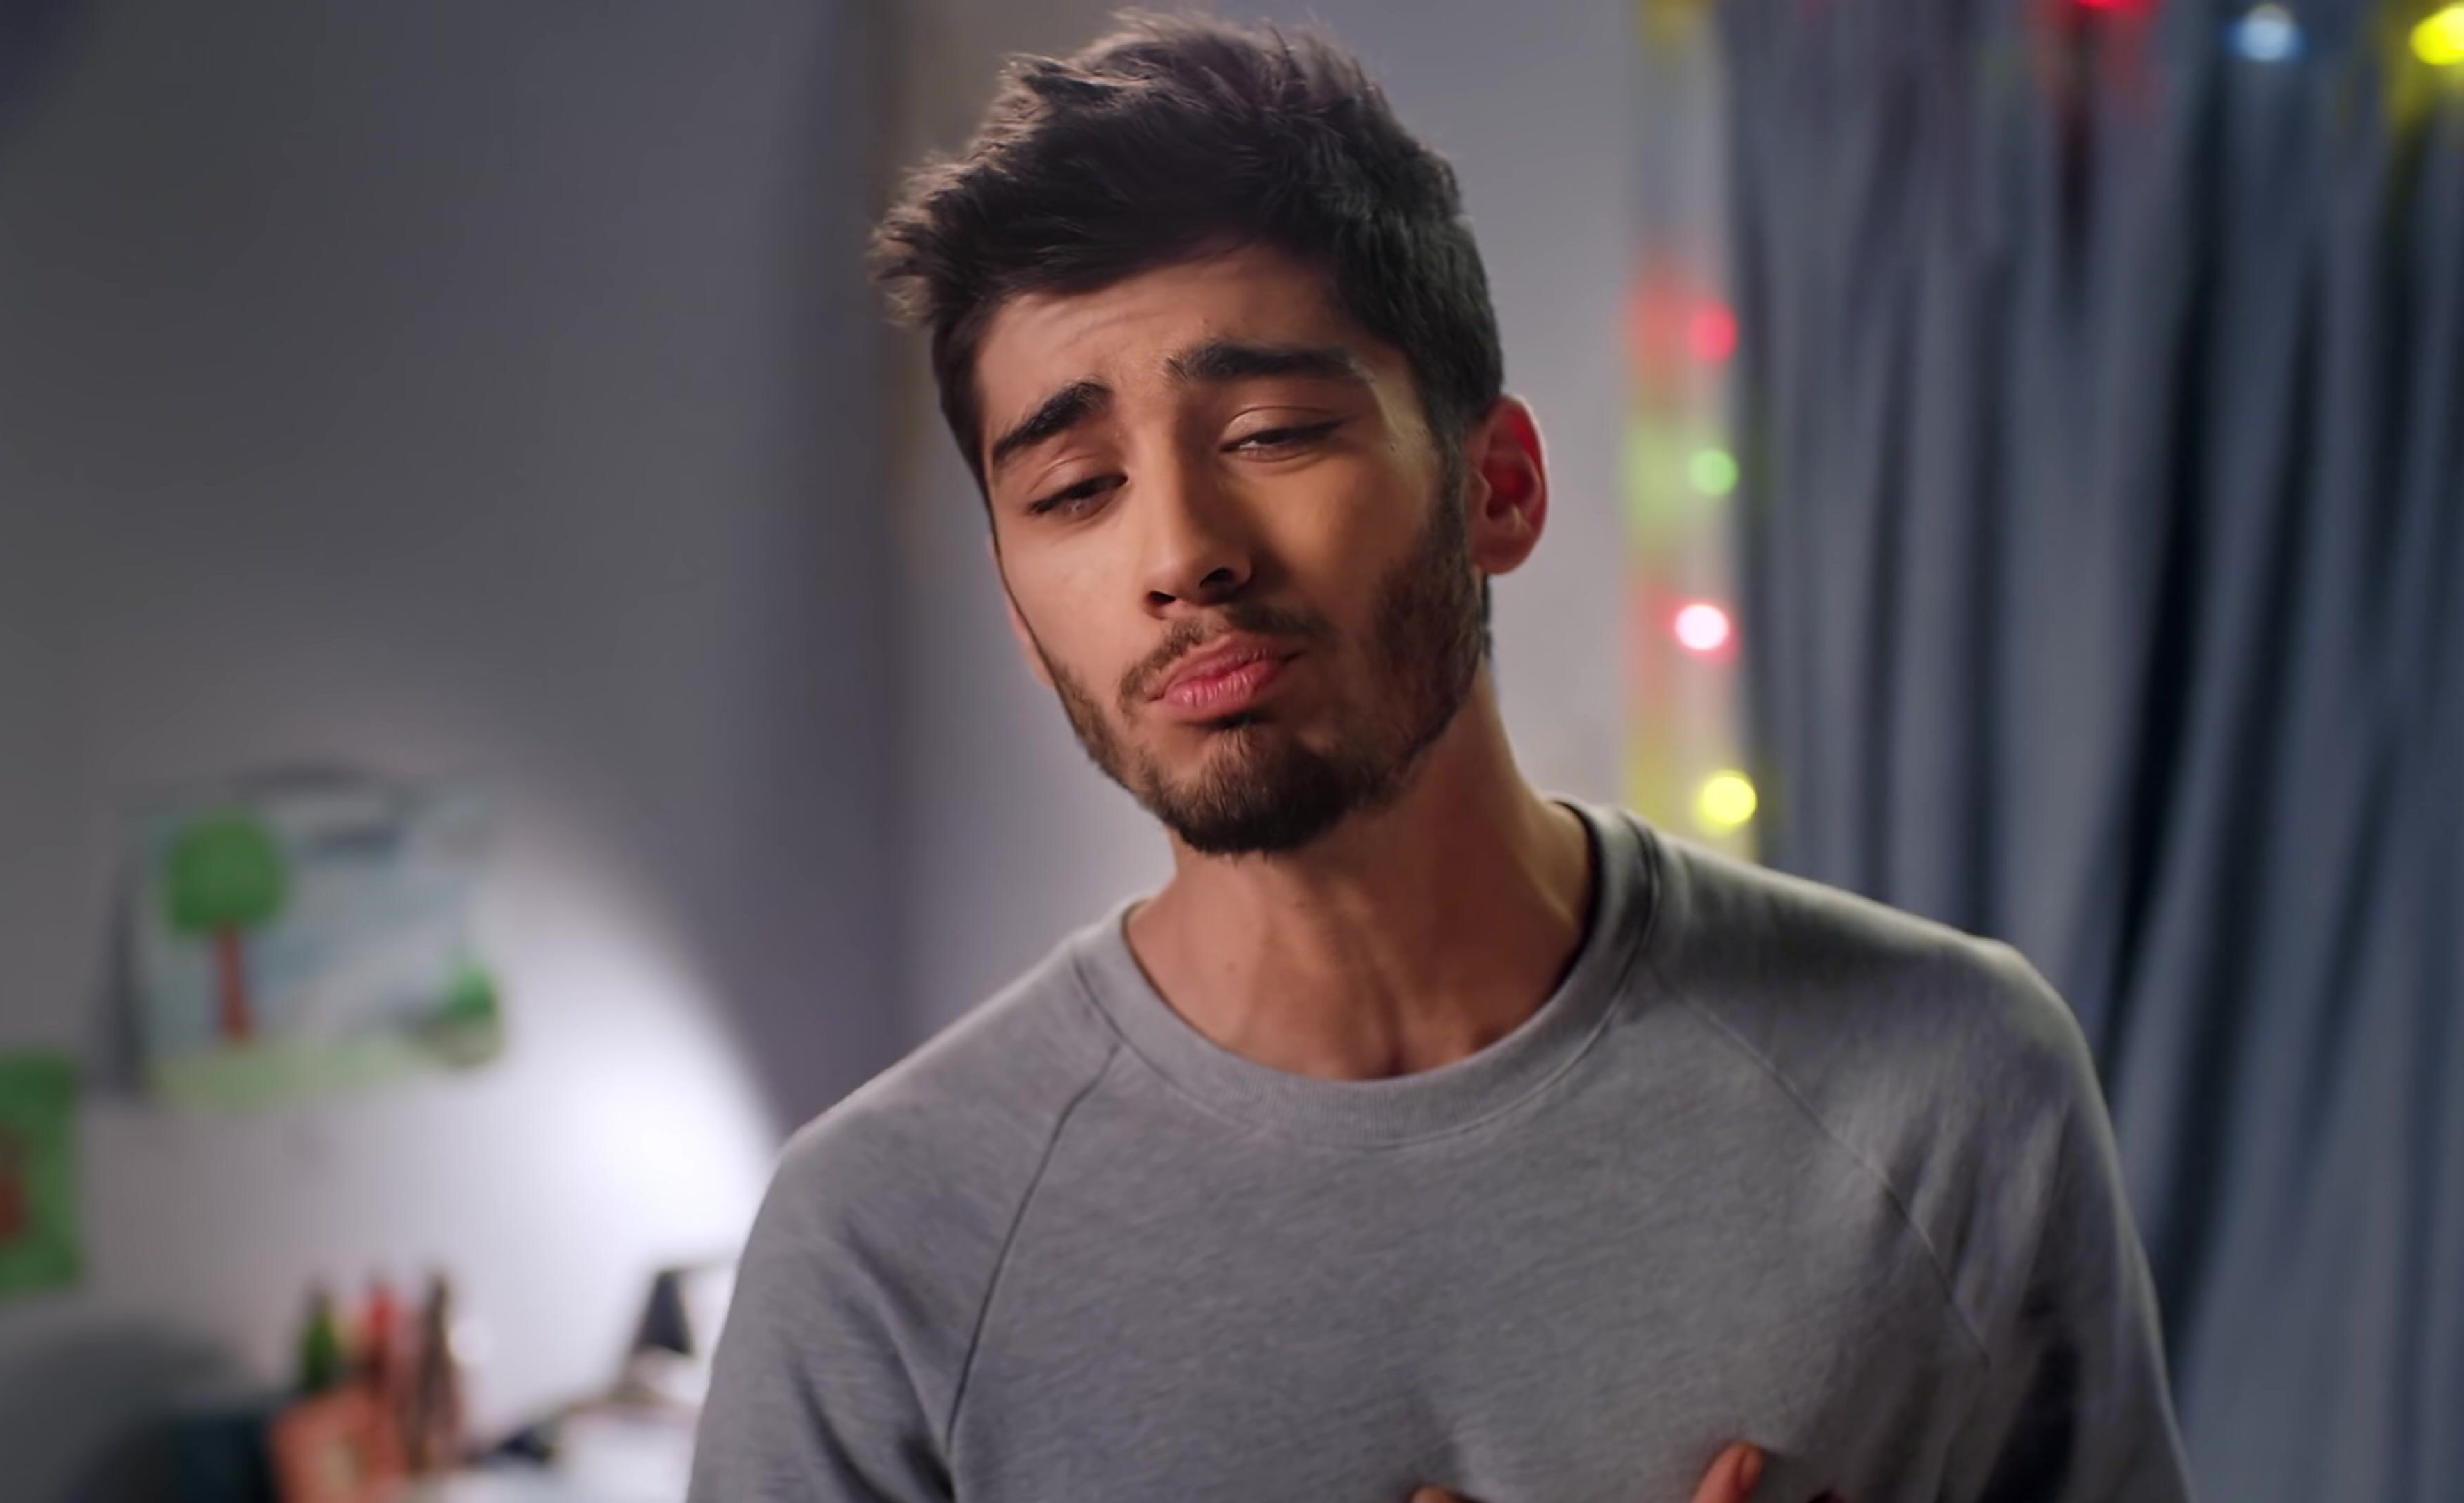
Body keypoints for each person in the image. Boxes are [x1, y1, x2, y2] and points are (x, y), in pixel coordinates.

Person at [687, 13, 2192, 1502]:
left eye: (1272, 432)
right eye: (1077, 488)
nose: (1181, 554)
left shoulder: (1949, 1082)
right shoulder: (879, 1243)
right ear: (1022, 617)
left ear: (1500, 486)